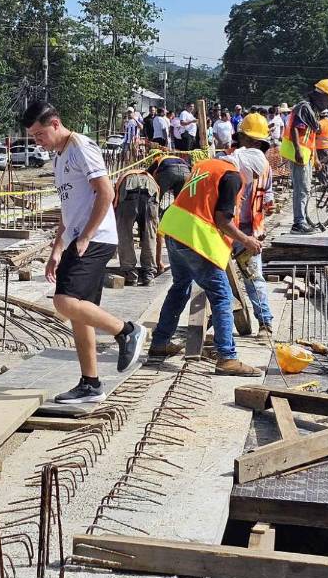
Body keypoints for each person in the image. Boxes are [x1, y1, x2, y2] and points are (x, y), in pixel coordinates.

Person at [21, 101, 148, 404]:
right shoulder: (59, 157)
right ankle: (91, 383)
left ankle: (127, 331)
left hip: (95, 238)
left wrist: (87, 236)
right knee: (80, 314)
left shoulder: (80, 146)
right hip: (77, 238)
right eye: (33, 137)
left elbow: (106, 192)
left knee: (64, 302)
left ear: (55, 124)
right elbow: (69, 208)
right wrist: (57, 247)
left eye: (40, 134)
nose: (38, 141)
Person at [147, 155, 264, 375]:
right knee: (222, 296)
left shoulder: (207, 165)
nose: (252, 180)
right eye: (254, 175)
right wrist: (246, 240)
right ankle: (227, 358)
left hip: (174, 230)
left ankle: (160, 342)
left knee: (180, 287)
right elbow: (222, 220)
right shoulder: (232, 176)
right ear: (249, 168)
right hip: (195, 238)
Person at [227, 113, 275, 337]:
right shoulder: (232, 161)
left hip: (247, 229)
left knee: (254, 277)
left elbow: (268, 192)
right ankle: (220, 322)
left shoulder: (262, 166)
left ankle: (265, 323)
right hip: (229, 226)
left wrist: (268, 202)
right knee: (219, 278)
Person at [280, 80, 328, 234]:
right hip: (299, 154)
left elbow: (310, 138)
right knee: (301, 189)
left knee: (304, 188)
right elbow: (296, 129)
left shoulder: (312, 111)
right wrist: (297, 150)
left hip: (306, 154)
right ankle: (299, 223)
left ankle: (300, 220)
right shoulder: (305, 108)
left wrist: (315, 159)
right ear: (321, 95)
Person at [114, 166, 160, 286]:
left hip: (128, 190)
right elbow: (157, 234)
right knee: (149, 234)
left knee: (124, 233)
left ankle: (130, 274)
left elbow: (113, 203)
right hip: (151, 190)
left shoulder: (123, 177)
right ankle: (148, 275)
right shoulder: (151, 177)